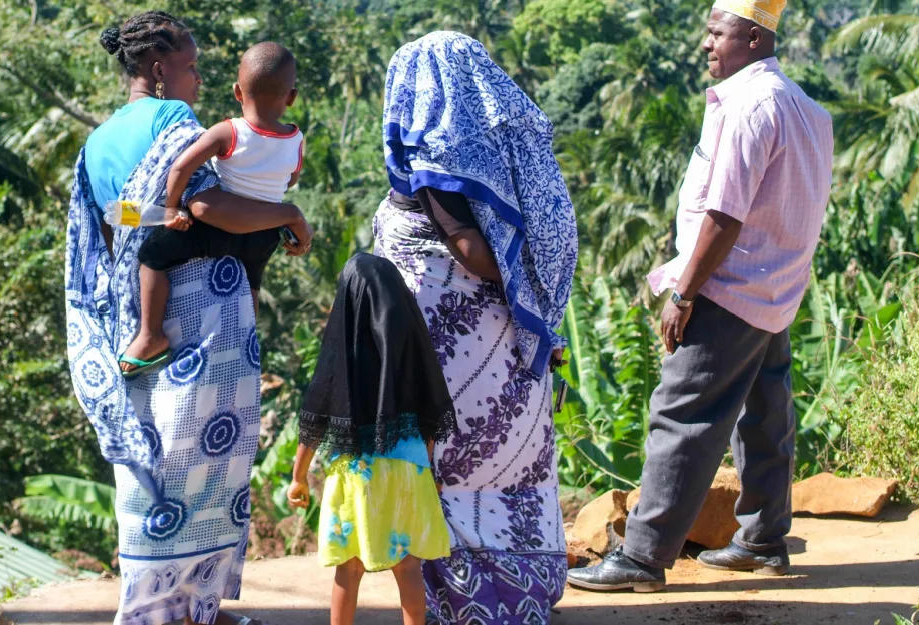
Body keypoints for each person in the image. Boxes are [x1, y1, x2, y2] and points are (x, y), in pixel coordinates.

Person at [567, 0, 834, 593]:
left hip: (728, 290)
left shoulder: (749, 107)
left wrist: (685, 292)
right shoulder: (809, 110)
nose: (707, 45)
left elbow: (725, 215)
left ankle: (640, 557)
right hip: (776, 290)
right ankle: (763, 540)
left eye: (718, 33)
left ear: (756, 38)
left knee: (682, 415)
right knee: (765, 414)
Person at [65, 11, 312, 625]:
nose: (200, 79)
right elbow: (206, 204)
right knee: (203, 460)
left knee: (152, 460)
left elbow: (115, 226)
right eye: (192, 66)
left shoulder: (96, 143)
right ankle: (189, 606)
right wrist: (287, 214)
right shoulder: (175, 121)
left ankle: (166, 607)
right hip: (201, 315)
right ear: (157, 69)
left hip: (133, 311)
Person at [374, 32, 579, 624]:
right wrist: (535, 292)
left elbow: (467, 248)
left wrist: (518, 282)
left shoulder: (435, 155)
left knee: (458, 466)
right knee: (517, 462)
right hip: (511, 344)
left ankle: (474, 597)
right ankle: (528, 582)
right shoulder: (503, 144)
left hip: (458, 351)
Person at [285, 253, 456, 625]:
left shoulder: (342, 352)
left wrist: (298, 477)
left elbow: (316, 416)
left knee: (349, 568)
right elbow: (429, 414)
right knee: (408, 566)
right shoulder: (411, 347)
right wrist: (427, 468)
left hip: (355, 472)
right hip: (410, 469)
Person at [122, 41, 306, 378]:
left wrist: (174, 208)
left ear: (238, 91)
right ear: (291, 97)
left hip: (215, 228)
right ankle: (243, 349)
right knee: (251, 283)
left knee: (152, 258)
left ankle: (150, 336)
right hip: (262, 236)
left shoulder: (228, 131)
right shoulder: (296, 139)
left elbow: (180, 168)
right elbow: (290, 180)